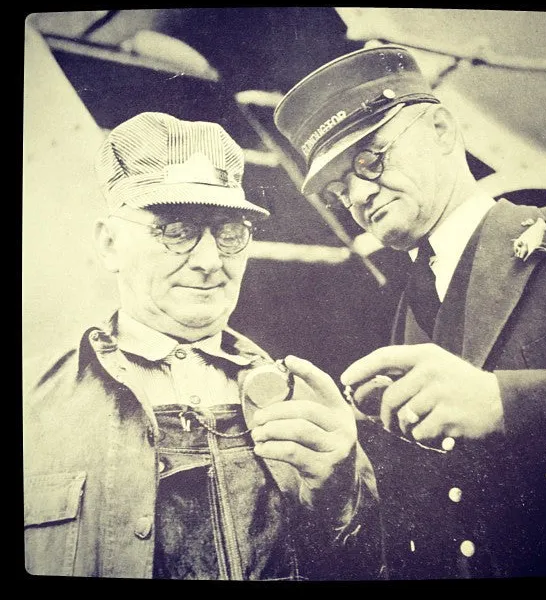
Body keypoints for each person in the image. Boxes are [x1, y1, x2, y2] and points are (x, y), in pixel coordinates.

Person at [23, 111, 385, 581]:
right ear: (110, 243)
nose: (211, 261)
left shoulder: (306, 406)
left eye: (230, 233)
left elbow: (364, 568)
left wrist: (339, 491)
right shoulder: (33, 403)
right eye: (177, 230)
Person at [273, 45, 546, 579]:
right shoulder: (399, 312)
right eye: (337, 190)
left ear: (442, 129)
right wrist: (348, 460)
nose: (357, 197)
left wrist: (505, 402)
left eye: (370, 159)